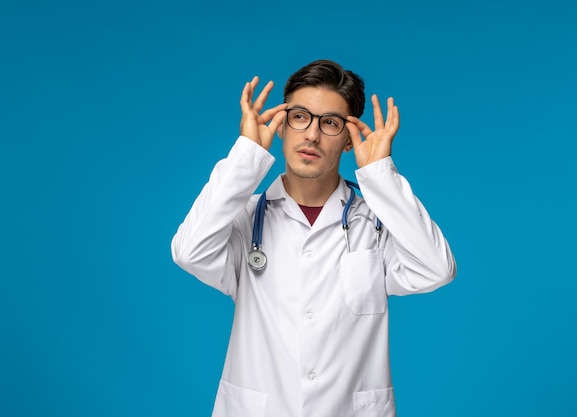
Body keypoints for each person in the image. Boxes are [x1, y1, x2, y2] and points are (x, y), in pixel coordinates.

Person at [171, 59, 456, 417]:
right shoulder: (245, 220)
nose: (312, 135)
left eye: (331, 123)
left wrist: (380, 176)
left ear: (350, 140)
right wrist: (247, 155)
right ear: (282, 125)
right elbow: (189, 251)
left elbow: (436, 269)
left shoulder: (376, 225)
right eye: (300, 116)